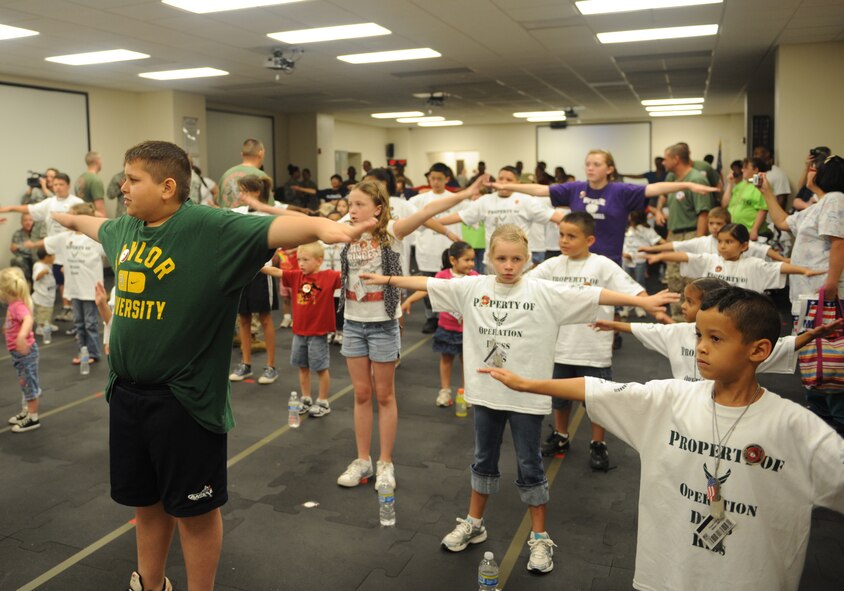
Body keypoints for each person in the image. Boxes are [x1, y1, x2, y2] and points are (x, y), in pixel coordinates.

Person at [51, 140, 373, 591]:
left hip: (184, 400)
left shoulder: (210, 228)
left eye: (132, 179)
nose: (122, 187)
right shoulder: (126, 229)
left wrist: (325, 227)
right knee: (145, 503)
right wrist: (65, 217)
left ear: (167, 187)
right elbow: (95, 225)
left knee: (195, 512)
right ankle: (151, 582)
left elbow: (274, 230)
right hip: (127, 395)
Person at [360, 224, 677, 574]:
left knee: (530, 467)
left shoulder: (545, 291)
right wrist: (387, 280)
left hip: (527, 396)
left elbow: (597, 296)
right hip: (486, 395)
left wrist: (641, 300)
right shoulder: (472, 287)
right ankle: (474, 523)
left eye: (515, 259)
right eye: (501, 258)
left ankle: (540, 538)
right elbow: (429, 283)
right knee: (483, 461)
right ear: (488, 258)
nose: (508, 265)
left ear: (527, 260)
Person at [482, 286, 844, 591]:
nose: (701, 347)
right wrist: (528, 383)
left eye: (715, 339)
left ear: (759, 350)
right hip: (666, 577)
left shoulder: (795, 427)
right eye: (699, 335)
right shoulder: (671, 399)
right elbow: (598, 388)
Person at [334, 177, 484, 491]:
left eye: (360, 204)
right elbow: (301, 225)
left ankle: (385, 463)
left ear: (378, 207)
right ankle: (363, 460)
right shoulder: (343, 229)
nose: (353, 210)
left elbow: (429, 209)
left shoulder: (393, 231)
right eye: (351, 204)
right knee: (361, 394)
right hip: (353, 322)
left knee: (385, 395)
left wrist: (466, 194)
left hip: (383, 324)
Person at [531, 212, 662, 469]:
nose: (564, 241)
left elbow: (633, 290)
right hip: (559, 348)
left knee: (598, 401)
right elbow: (525, 284)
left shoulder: (602, 265)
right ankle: (561, 435)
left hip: (593, 349)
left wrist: (655, 308)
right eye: (561, 235)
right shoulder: (552, 265)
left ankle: (598, 443)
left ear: (589, 240)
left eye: (571, 236)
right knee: (559, 397)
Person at [490, 149, 716, 266]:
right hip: (577, 259)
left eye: (596, 164)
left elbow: (654, 189)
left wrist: (687, 184)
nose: (590, 168)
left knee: (606, 315)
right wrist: (508, 186)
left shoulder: (620, 191)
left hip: (609, 259)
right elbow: (541, 190)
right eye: (587, 164)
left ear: (609, 169)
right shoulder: (574, 188)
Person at [596, 276, 842, 382]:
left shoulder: (738, 342)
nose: (683, 306)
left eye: (690, 302)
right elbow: (644, 330)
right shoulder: (678, 332)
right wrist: (610, 324)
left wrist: (811, 335)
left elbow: (781, 346)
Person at [757, 157, 844, 434]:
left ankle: (834, 424)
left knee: (830, 357)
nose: (809, 171)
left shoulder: (835, 199)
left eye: (815, 168)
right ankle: (821, 417)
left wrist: (831, 282)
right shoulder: (819, 204)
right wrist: (766, 192)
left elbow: (839, 241)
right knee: (813, 354)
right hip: (809, 294)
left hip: (823, 293)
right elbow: (783, 222)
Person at [226, 175, 295, 385]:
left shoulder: (269, 213)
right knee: (244, 319)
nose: (240, 195)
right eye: (239, 191)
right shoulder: (237, 213)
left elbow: (288, 227)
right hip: (241, 272)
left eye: (243, 190)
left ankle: (271, 366)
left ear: (255, 192)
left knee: (265, 318)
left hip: (262, 273)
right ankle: (246, 364)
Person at [264, 242, 341, 417]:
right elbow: (277, 272)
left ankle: (323, 401)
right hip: (299, 333)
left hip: (318, 334)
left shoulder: (329, 276)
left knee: (321, 368)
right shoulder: (297, 276)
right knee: (302, 366)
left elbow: (350, 278)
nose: (301, 263)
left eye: (306, 260)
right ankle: (306, 398)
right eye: (299, 259)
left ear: (319, 261)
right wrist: (257, 267)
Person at [437, 166, 564, 268]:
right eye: (501, 179)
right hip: (492, 262)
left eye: (509, 180)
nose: (503, 183)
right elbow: (460, 216)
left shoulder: (527, 201)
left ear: (518, 183)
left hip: (520, 263)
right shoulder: (485, 201)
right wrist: (432, 222)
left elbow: (557, 217)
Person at [402, 242, 478, 407]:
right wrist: (409, 299)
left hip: (468, 330)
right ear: (453, 260)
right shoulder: (443, 276)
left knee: (467, 361)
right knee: (446, 359)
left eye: (473, 260)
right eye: (467, 260)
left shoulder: (475, 277)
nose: (471, 264)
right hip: (447, 327)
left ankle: (466, 391)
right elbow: (426, 288)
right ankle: (445, 390)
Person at [0, 172, 84, 322]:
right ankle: (66, 308)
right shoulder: (49, 203)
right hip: (55, 250)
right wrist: (6, 208)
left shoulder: (76, 202)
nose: (58, 188)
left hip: (75, 249)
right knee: (60, 280)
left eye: (61, 185)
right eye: (55, 185)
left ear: (68, 185)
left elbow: (89, 216)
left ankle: (77, 310)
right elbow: (28, 209)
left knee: (75, 279)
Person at [647, 223, 824, 292]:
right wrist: (661, 254)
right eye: (720, 242)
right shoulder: (710, 260)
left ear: (744, 246)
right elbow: (684, 256)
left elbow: (779, 268)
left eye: (729, 242)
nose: (722, 246)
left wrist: (803, 270)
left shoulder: (754, 265)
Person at [40, 203, 105, 365]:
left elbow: (110, 249)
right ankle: (83, 351)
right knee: (79, 323)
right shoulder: (66, 237)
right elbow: (48, 245)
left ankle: (94, 353)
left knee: (90, 323)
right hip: (74, 288)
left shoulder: (95, 238)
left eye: (70, 215)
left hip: (90, 290)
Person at [653, 143, 713, 319]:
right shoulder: (672, 176)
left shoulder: (696, 180)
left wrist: (699, 242)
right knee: (673, 281)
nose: (663, 162)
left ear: (676, 159)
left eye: (665, 159)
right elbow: (662, 194)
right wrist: (658, 210)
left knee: (691, 284)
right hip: (674, 234)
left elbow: (703, 213)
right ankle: (677, 323)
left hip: (691, 233)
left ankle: (693, 325)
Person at [409, 163, 470, 334]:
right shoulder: (417, 200)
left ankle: (451, 318)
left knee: (450, 285)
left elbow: (469, 214)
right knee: (427, 286)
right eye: (432, 178)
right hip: (427, 250)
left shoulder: (455, 200)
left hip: (449, 251)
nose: (435, 182)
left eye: (439, 179)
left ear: (447, 179)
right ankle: (431, 317)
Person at [639, 207, 787, 262]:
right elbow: (678, 245)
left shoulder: (737, 240)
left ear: (727, 224)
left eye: (719, 224)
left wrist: (782, 259)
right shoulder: (703, 242)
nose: (715, 227)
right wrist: (651, 249)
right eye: (711, 223)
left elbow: (763, 249)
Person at [2, 267, 42, 433]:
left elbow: (27, 319)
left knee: (28, 383)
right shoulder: (14, 305)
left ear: (5, 292)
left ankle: (33, 417)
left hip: (26, 353)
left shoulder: (18, 306)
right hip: (18, 354)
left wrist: (21, 336)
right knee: (24, 382)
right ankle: (27, 410)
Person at [721, 158, 770, 239]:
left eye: (746, 168)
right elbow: (724, 204)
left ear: (755, 170)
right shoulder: (740, 185)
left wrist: (754, 230)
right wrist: (730, 184)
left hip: (750, 232)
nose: (742, 170)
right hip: (734, 230)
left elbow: (763, 210)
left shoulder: (761, 186)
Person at [217, 138, 272, 208]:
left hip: (227, 218)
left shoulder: (226, 174)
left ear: (242, 154)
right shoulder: (261, 177)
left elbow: (220, 203)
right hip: (251, 218)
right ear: (260, 153)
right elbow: (268, 207)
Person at [622, 209, 663, 301]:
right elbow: (622, 243)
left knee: (639, 283)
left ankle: (641, 305)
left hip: (639, 260)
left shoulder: (646, 229)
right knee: (625, 283)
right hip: (626, 260)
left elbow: (658, 240)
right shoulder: (626, 228)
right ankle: (626, 307)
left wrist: (673, 245)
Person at [31, 248, 57, 341]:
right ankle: (41, 327)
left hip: (48, 294)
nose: (54, 257)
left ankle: (47, 323)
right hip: (42, 296)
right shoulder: (39, 266)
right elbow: (36, 277)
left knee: (48, 312)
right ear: (46, 257)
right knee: (43, 312)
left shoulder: (47, 265)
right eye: (52, 256)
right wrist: (43, 272)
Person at [9, 212, 42, 283]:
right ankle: (23, 284)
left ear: (34, 222)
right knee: (17, 260)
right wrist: (30, 246)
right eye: (25, 220)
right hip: (24, 261)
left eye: (30, 220)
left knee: (37, 260)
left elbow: (38, 250)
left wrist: (19, 246)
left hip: (37, 259)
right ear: (21, 222)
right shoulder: (17, 234)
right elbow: (14, 250)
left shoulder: (38, 233)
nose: (28, 222)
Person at [74, 151, 106, 217]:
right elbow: (99, 206)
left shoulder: (79, 179)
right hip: (92, 219)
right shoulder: (95, 180)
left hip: (80, 217)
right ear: (97, 161)